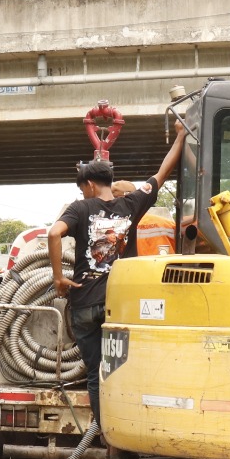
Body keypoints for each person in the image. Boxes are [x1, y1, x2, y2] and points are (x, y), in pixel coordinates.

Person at [49, 128, 186, 428]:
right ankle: (128, 431)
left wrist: (59, 278)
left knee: (96, 374)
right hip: (121, 305)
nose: (82, 193)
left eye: (82, 187)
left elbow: (53, 233)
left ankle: (104, 433)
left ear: (89, 184)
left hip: (85, 303)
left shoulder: (80, 208)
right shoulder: (132, 204)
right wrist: (180, 136)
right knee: (123, 372)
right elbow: (163, 171)